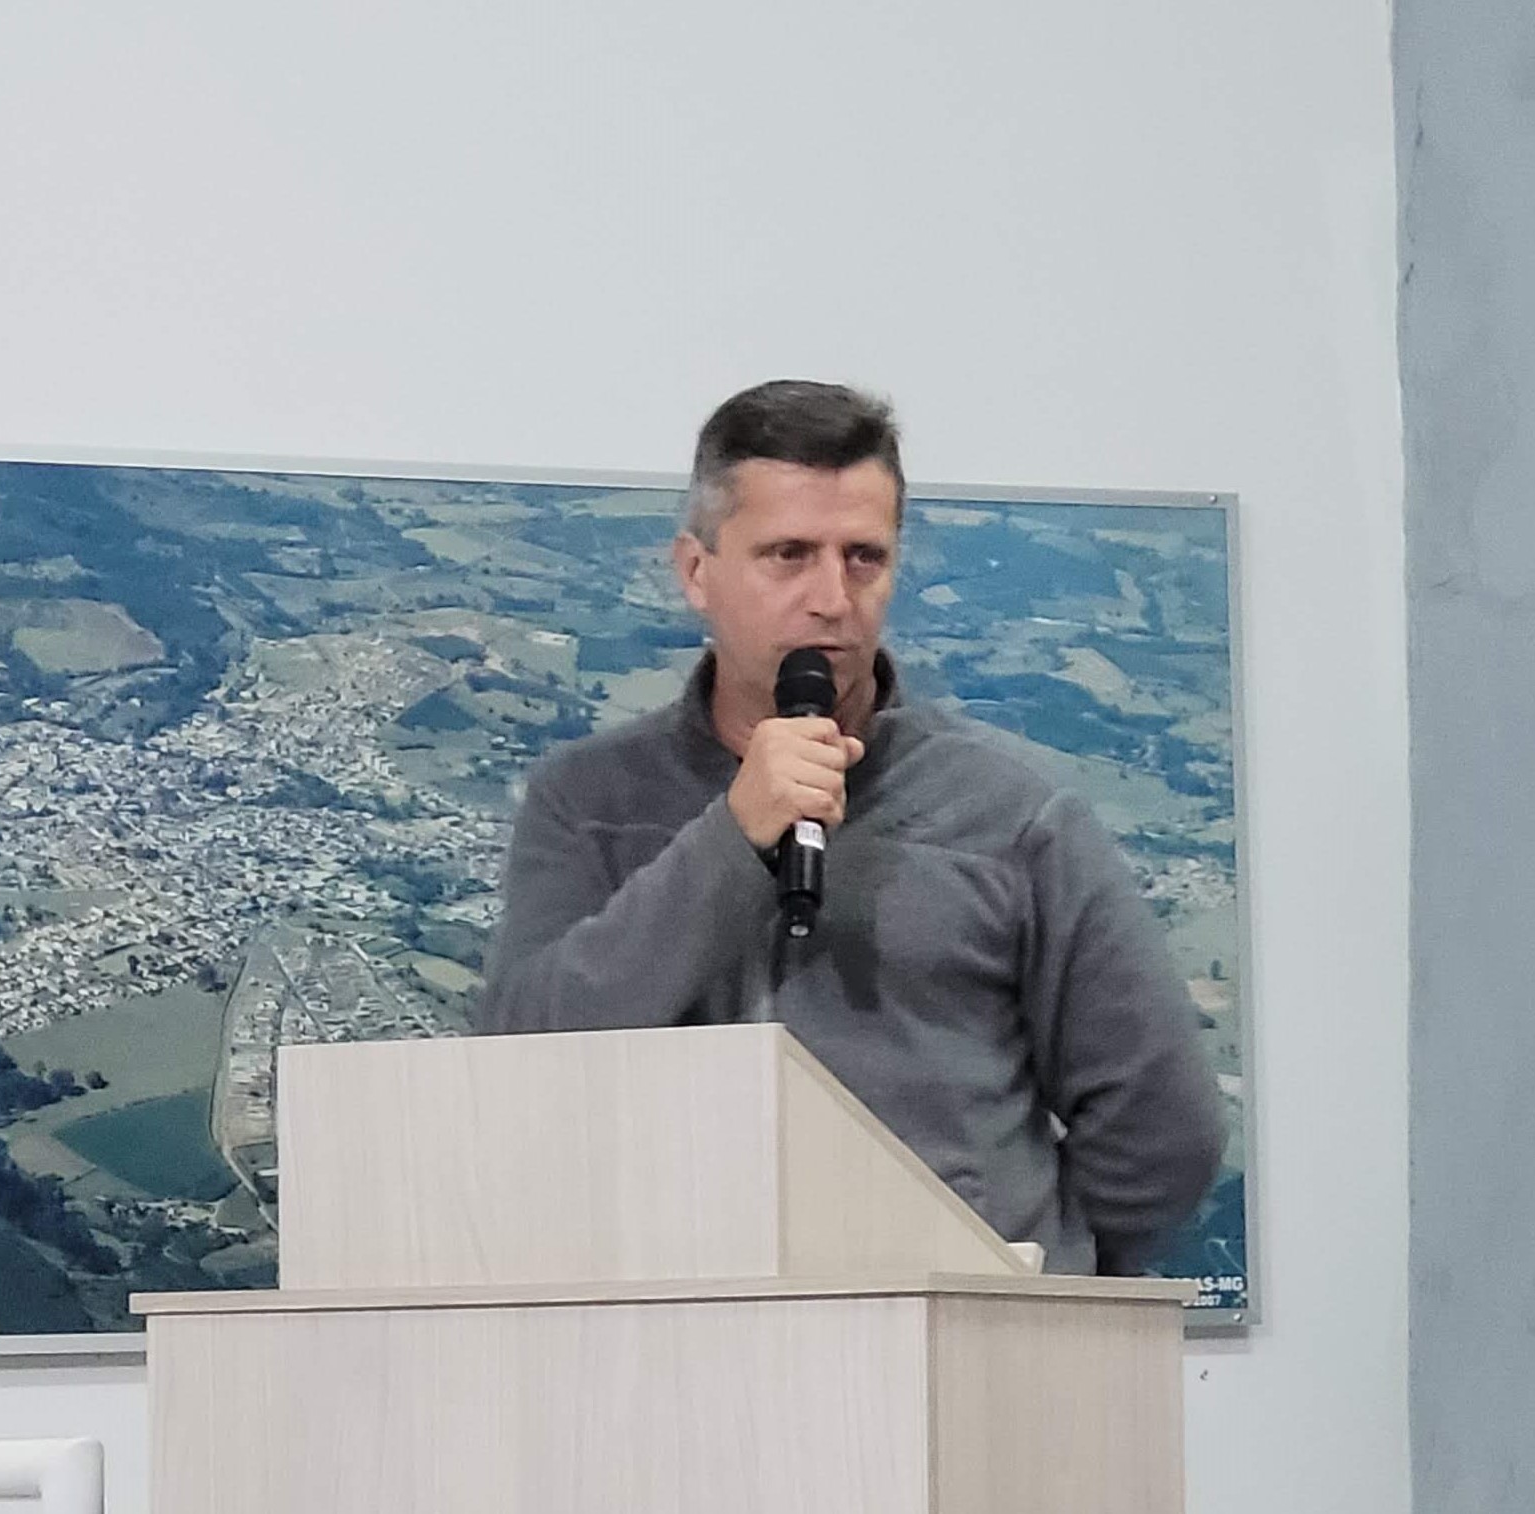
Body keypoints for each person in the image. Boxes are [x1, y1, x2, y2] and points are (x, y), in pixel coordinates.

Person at [475, 379, 1224, 1277]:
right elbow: (518, 1065)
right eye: (788, 555)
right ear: (697, 572)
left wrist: (1030, 1279)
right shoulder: (589, 798)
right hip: (674, 1325)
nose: (832, 597)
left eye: (864, 558)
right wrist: (731, 840)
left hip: (950, 1327)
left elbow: (1164, 1124)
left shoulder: (1013, 810)